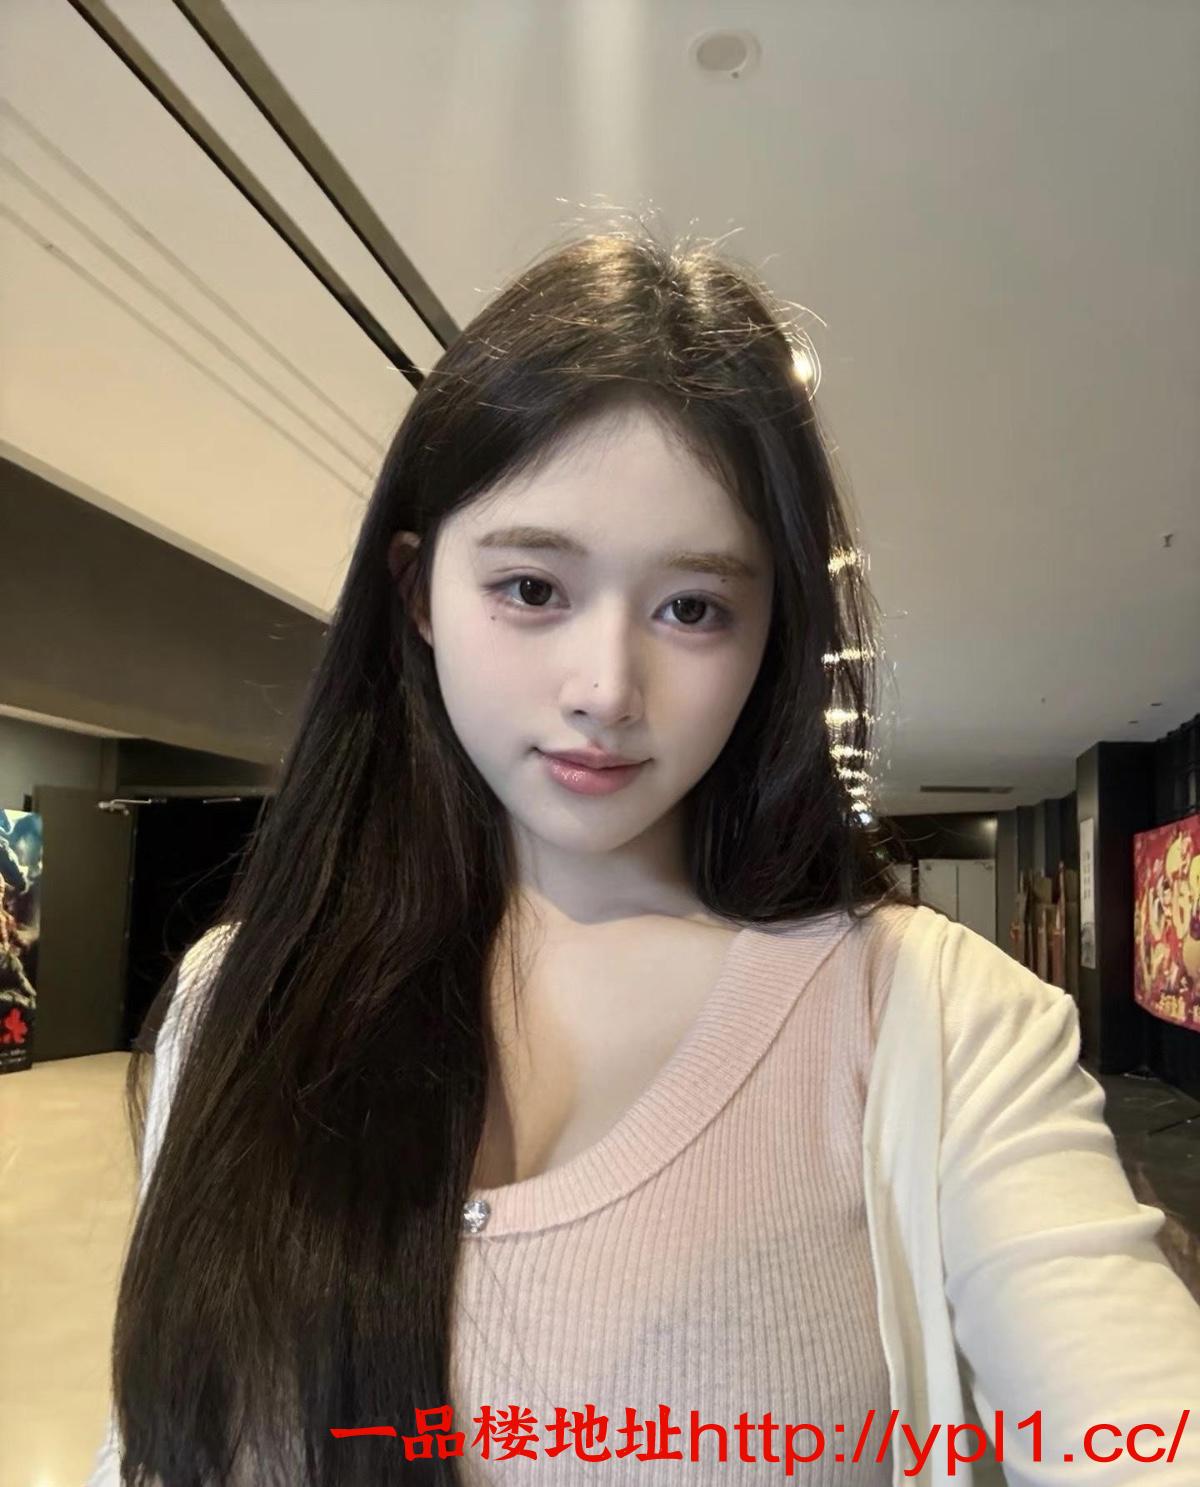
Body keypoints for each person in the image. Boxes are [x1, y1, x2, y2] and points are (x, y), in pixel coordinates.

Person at [86, 227, 1200, 1487]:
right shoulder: (240, 999)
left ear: (772, 635)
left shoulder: (936, 1022)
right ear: (417, 592)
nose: (606, 688)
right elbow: (151, 1441)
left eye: (692, 607)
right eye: (532, 588)